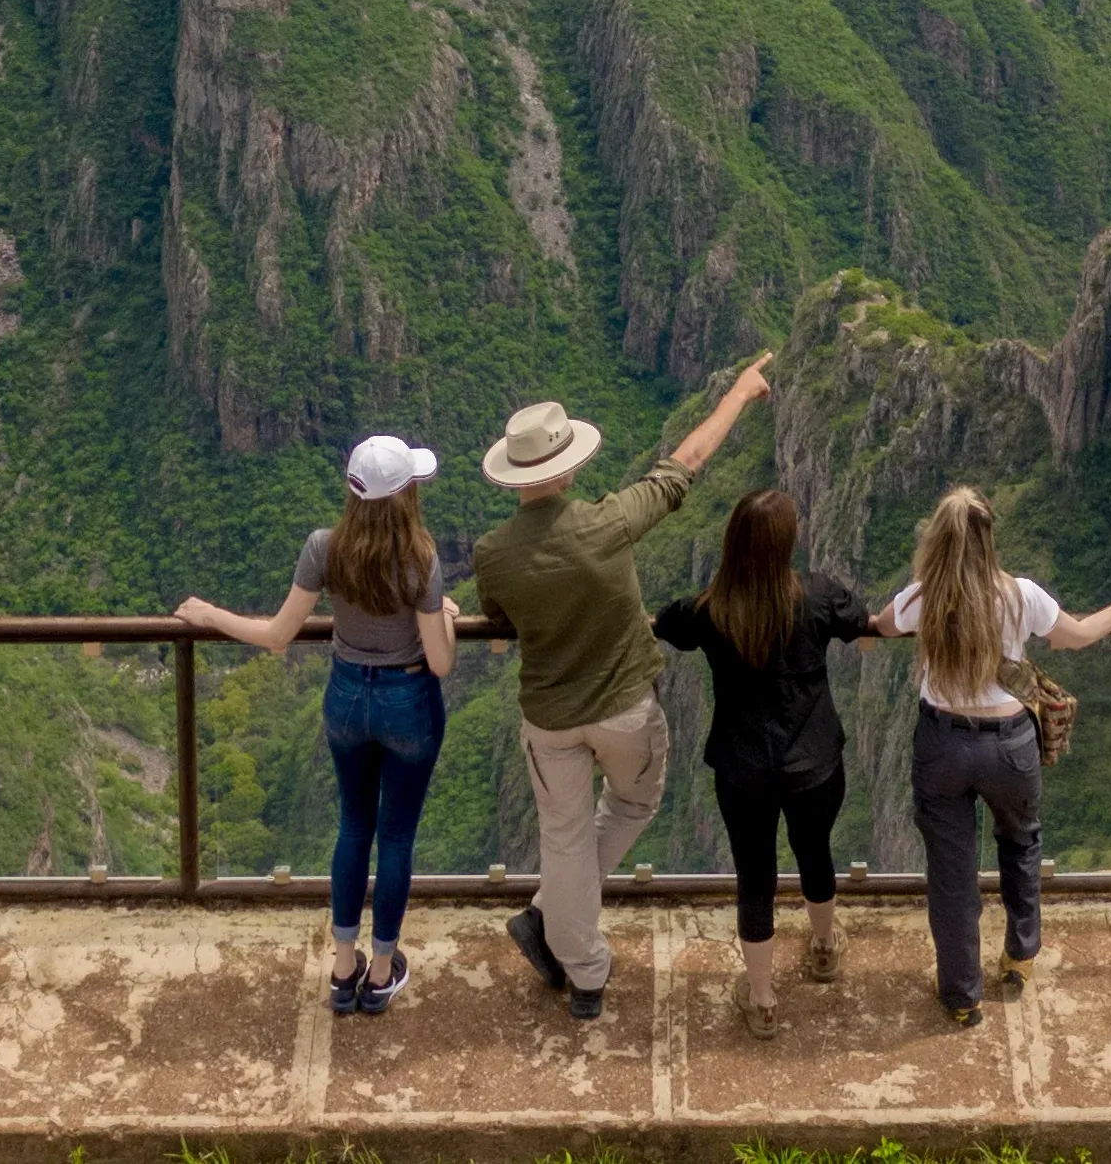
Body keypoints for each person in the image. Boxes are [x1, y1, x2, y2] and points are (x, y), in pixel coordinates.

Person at [460, 357, 774, 1022]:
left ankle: (577, 962)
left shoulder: (492, 553)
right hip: (626, 711)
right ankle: (564, 942)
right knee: (632, 802)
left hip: (550, 719)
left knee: (564, 839)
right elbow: (683, 464)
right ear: (566, 466)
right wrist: (739, 394)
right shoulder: (608, 521)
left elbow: (497, 617)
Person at [178, 433, 464, 1016]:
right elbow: (440, 661)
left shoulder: (325, 548)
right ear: (407, 494)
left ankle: (342, 968)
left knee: (353, 827)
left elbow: (277, 635)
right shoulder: (422, 559)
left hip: (346, 697)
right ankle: (380, 973)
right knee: (396, 838)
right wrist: (446, 618)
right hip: (408, 699)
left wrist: (210, 616)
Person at [878, 486, 1111, 1027]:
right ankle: (1019, 955)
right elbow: (1077, 636)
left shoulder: (923, 597)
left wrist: (874, 629)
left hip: (943, 744)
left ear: (938, 539)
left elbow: (883, 624)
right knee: (1021, 842)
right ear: (990, 538)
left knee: (951, 870)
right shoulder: (1020, 596)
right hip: (1009, 744)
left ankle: (962, 996)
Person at [654, 485, 870, 1033]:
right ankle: (824, 946)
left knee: (755, 877)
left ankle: (763, 998)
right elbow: (860, 618)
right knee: (815, 851)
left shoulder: (710, 610)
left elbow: (666, 623)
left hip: (743, 768)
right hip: (814, 763)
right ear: (787, 543)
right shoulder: (817, 596)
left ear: (732, 544)